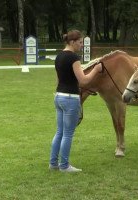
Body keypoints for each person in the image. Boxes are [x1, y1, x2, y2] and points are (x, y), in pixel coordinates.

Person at [49, 30, 102, 173]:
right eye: (79, 42)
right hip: (70, 99)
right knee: (67, 134)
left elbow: (59, 80)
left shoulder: (59, 56)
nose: (81, 45)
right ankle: (64, 166)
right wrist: (96, 69)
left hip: (59, 96)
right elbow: (84, 81)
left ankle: (53, 163)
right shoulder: (74, 58)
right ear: (72, 42)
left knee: (59, 132)